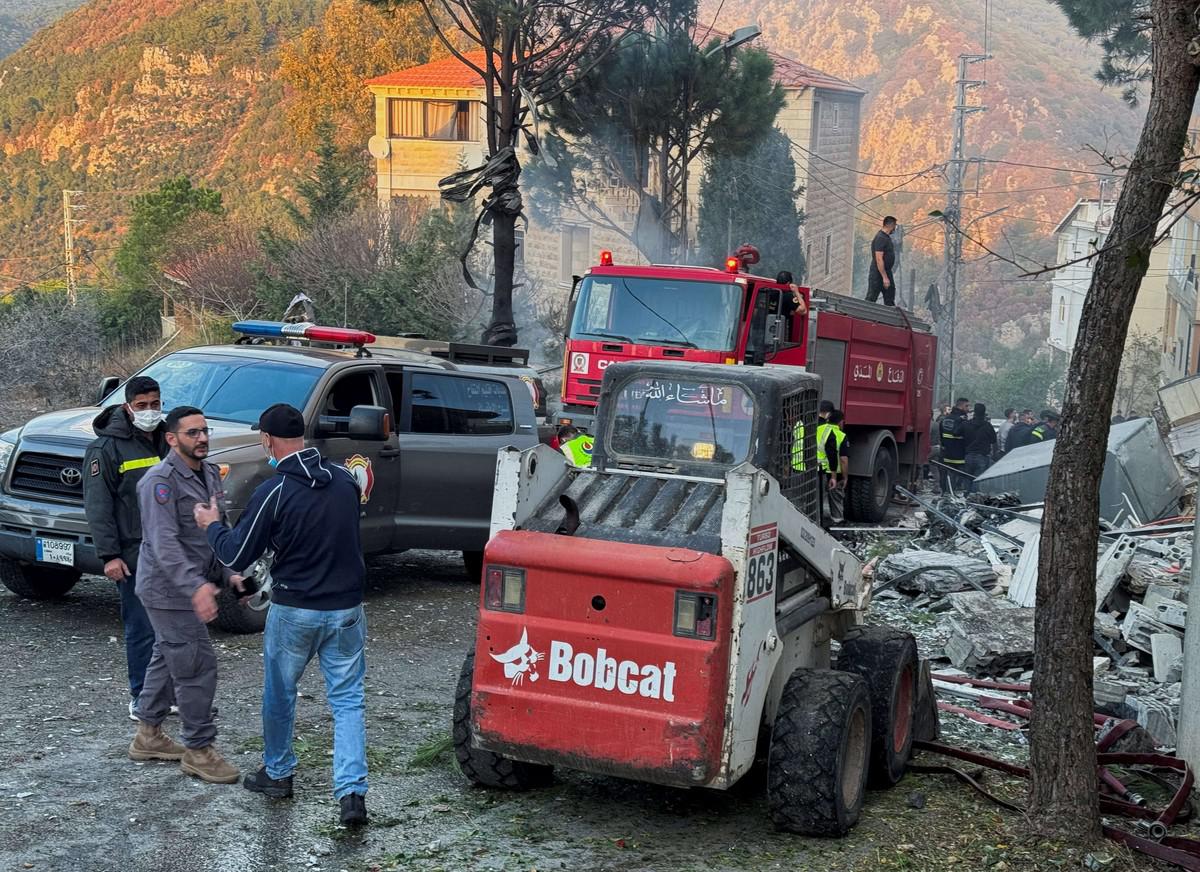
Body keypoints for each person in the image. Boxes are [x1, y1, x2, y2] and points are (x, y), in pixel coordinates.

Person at [196, 403, 370, 827]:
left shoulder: (274, 490)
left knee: (280, 694)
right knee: (348, 702)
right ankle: (351, 794)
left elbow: (236, 553)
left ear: (268, 440)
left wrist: (211, 525)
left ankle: (278, 773)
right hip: (346, 607)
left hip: (296, 609)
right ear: (303, 437)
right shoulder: (345, 480)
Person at [130, 406, 238, 784]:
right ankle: (198, 749)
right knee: (195, 665)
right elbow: (164, 543)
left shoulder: (209, 472)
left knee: (167, 656)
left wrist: (230, 571)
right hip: (168, 589)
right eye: (193, 433)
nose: (203, 438)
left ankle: (148, 735)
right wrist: (196, 587)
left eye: (205, 430)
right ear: (172, 439)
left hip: (193, 584)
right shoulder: (159, 482)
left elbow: (215, 528)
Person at [82, 375, 168, 722]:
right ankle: (141, 696)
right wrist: (110, 556)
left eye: (155, 405)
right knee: (141, 627)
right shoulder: (106, 448)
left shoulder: (167, 438)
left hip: (167, 548)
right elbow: (98, 507)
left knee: (170, 627)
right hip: (132, 552)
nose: (150, 412)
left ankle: (166, 694)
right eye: (143, 406)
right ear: (127, 407)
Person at [817, 410, 850, 525]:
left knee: (816, 501)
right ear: (840, 422)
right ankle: (837, 526)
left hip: (817, 471)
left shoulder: (818, 429)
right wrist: (845, 478)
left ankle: (815, 524)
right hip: (833, 472)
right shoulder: (840, 435)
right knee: (836, 501)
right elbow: (843, 460)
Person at [938, 397, 969, 493]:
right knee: (959, 478)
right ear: (962, 406)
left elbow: (941, 436)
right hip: (959, 455)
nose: (968, 409)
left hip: (946, 454)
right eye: (967, 406)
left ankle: (945, 494)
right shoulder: (962, 421)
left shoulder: (945, 419)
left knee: (946, 476)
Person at [865, 216, 897, 306]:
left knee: (890, 294)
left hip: (886, 271)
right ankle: (864, 316)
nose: (895, 229)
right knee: (871, 297)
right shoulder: (880, 238)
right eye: (895, 226)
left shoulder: (886, 237)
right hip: (878, 273)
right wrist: (884, 277)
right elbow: (879, 259)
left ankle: (889, 317)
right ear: (891, 225)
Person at [963, 403, 996, 493]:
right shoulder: (987, 426)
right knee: (977, 481)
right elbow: (993, 440)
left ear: (974, 412)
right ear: (984, 413)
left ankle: (967, 499)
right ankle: (974, 500)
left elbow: (958, 434)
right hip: (982, 456)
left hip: (968, 456)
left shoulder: (966, 424)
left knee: (967, 479)